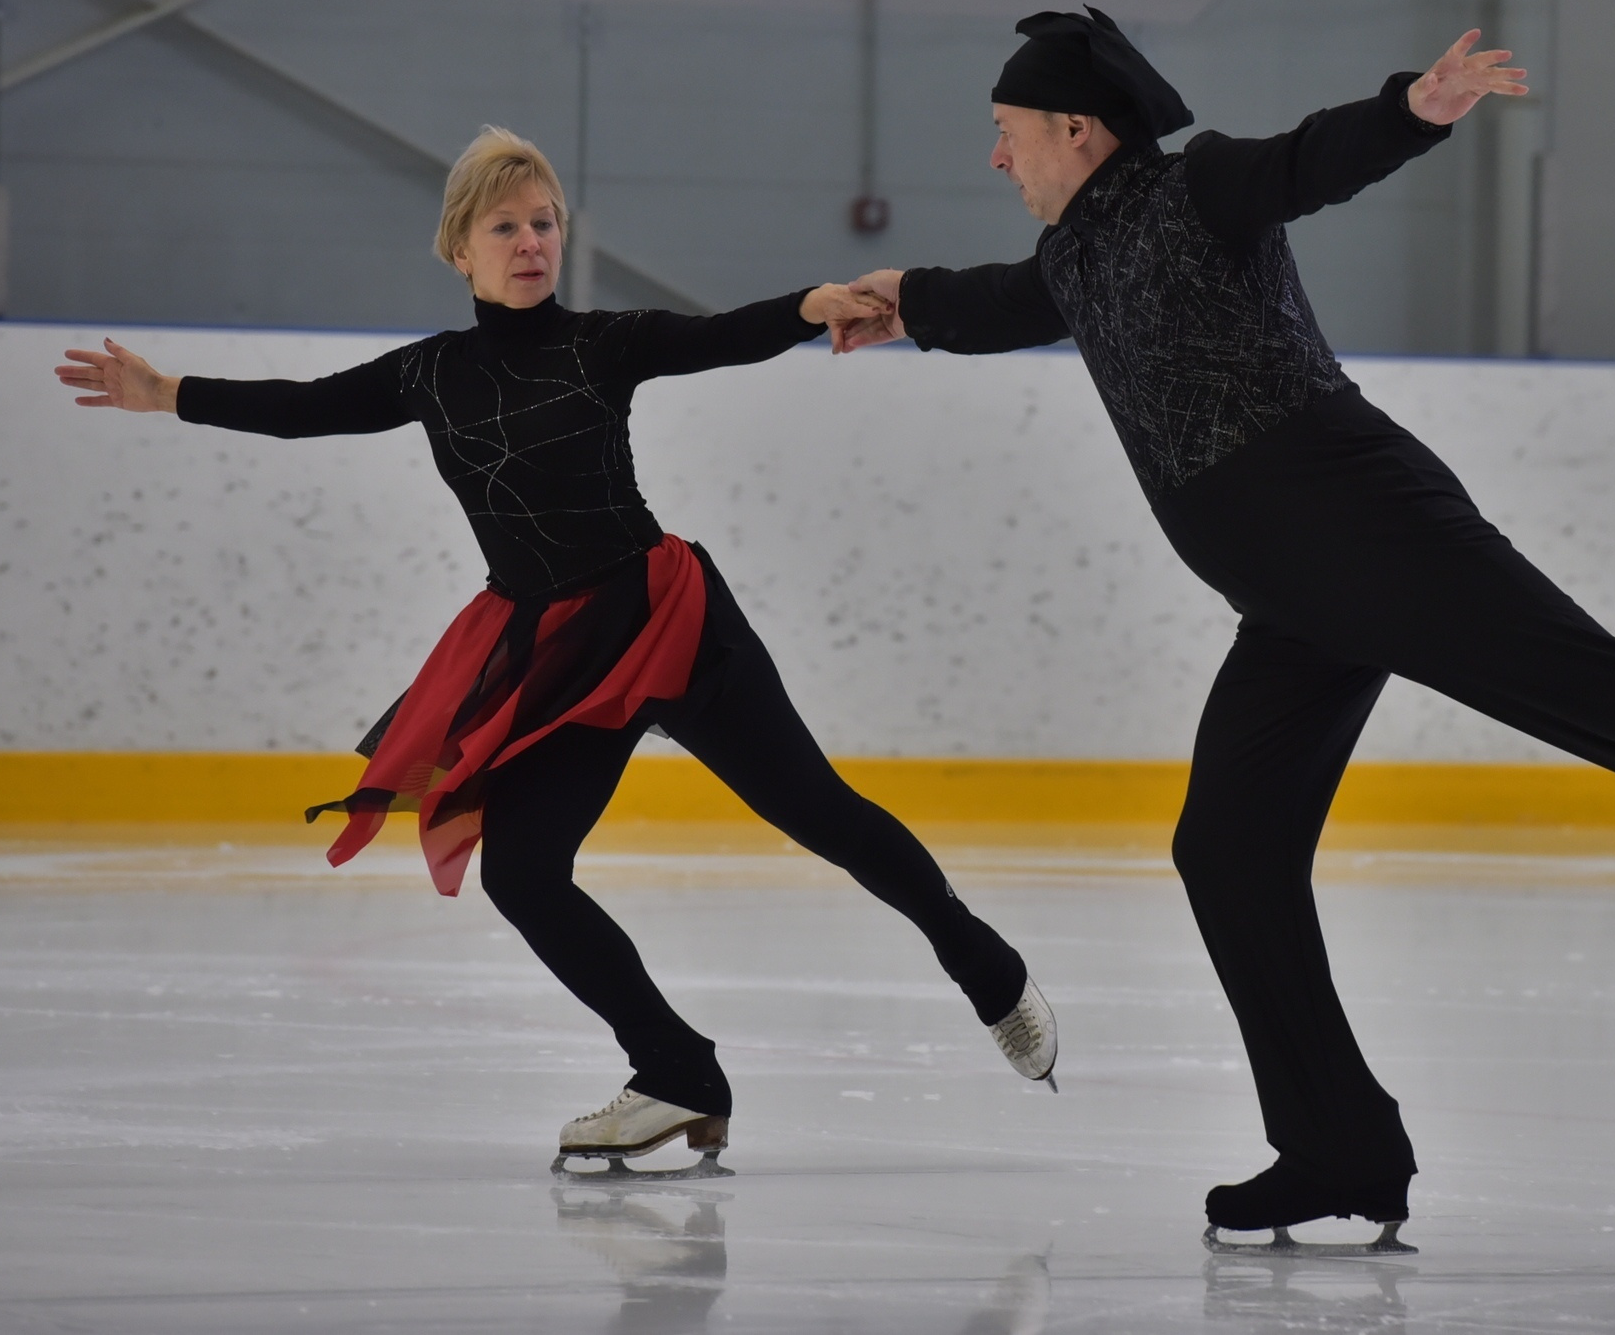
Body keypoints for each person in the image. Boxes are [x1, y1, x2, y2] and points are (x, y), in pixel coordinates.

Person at [833, 7, 1615, 1252]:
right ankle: (1336, 1149)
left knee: (1609, 696)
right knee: (1228, 852)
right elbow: (999, 301)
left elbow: (1306, 160)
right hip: (1295, 596)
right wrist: (903, 302)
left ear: (1076, 129)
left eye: (1006, 132)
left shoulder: (1195, 189)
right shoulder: (1079, 253)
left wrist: (1412, 108)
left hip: (1365, 529)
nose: (996, 157)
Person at [55, 126, 1059, 1179]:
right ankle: (676, 1071)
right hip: (555, 656)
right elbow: (307, 410)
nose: (530, 242)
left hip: (668, 620)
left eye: (543, 222)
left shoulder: (600, 343)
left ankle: (985, 966)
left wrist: (810, 306)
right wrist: (168, 394)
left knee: (820, 812)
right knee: (524, 873)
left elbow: (712, 335)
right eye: (505, 225)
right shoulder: (429, 374)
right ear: (460, 247)